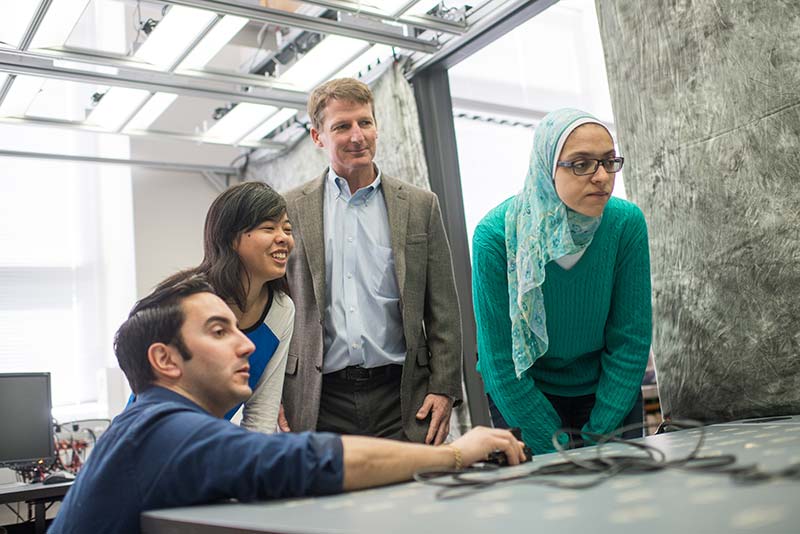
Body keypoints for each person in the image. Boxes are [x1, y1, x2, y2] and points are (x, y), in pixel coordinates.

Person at [48, 275, 526, 533]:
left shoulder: (144, 424)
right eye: (219, 332)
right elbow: (314, 460)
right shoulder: (163, 429)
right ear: (165, 360)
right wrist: (458, 453)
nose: (248, 346)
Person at [281, 78, 462, 444]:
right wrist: (268, 395)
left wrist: (444, 387)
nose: (357, 136)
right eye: (342, 126)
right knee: (328, 501)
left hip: (402, 396)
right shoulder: (289, 209)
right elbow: (270, 307)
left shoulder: (419, 206)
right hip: (318, 400)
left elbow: (443, 308)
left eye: (365, 122)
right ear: (318, 138)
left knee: (415, 496)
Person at [472, 108, 652, 454]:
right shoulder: (495, 236)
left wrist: (599, 436)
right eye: (581, 163)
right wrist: (552, 445)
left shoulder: (625, 224)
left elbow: (631, 338)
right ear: (546, 168)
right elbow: (498, 359)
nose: (601, 176)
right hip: (524, 394)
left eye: (608, 161)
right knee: (547, 498)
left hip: (607, 389)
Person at [151, 182, 295, 432]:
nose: (283, 238)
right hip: (155, 434)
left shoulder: (282, 310)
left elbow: (262, 413)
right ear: (230, 238)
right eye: (268, 228)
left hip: (208, 442)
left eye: (287, 229)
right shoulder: (188, 299)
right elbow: (158, 393)